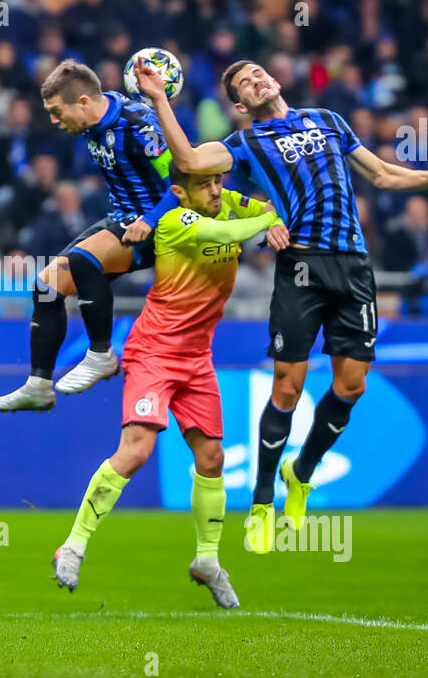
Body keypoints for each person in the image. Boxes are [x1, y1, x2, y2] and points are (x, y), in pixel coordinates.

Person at [134, 57, 428, 552]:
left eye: (258, 73)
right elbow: (188, 163)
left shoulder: (330, 121)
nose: (255, 80)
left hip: (354, 266)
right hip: (301, 265)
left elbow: (381, 175)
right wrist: (160, 99)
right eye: (243, 84)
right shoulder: (244, 144)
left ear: (274, 79)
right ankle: (260, 501)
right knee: (288, 387)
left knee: (351, 385)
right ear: (239, 105)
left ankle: (303, 473)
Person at [51, 162, 284, 605]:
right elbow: (229, 236)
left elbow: (270, 206)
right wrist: (270, 220)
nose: (216, 191)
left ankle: (207, 562)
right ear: (179, 191)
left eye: (219, 182)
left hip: (197, 359)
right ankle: (74, 545)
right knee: (137, 451)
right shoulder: (178, 221)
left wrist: (272, 211)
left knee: (212, 457)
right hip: (155, 352)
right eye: (205, 184)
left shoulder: (226, 203)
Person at [0, 59, 176, 413]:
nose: (54, 120)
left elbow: (179, 184)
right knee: (46, 286)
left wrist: (149, 220)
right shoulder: (91, 121)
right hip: (120, 218)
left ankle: (101, 354)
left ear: (84, 102)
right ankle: (39, 385)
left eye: (57, 112)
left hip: (159, 225)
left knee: (82, 260)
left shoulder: (138, 125)